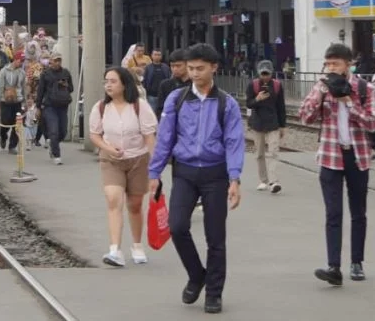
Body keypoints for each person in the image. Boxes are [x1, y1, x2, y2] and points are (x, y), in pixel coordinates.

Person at [148, 43, 244, 315]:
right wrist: (154, 172)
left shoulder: (227, 103)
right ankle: (196, 274)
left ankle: (214, 293)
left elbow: (234, 142)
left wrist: (234, 178)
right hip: (185, 172)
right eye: (190, 68)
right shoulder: (176, 99)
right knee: (177, 226)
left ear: (214, 68)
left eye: (200, 68)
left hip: (216, 174)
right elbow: (165, 137)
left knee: (215, 237)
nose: (194, 73)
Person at [298, 43, 375, 286]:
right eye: (328, 64)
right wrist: (321, 94)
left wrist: (348, 102)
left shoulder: (366, 89)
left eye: (335, 63)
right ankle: (333, 266)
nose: (331, 68)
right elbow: (305, 117)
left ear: (348, 64)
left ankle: (357, 262)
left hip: (357, 155)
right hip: (330, 156)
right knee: (333, 213)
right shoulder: (321, 87)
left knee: (358, 212)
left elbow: (372, 123)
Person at [89, 67, 157, 267]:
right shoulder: (101, 107)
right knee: (113, 199)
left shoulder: (139, 106)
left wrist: (156, 166)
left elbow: (149, 137)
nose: (108, 85)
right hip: (111, 160)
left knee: (135, 204)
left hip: (138, 159)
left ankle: (137, 245)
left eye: (113, 81)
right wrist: (108, 148)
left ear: (125, 84)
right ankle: (115, 250)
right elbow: (95, 135)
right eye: (106, 81)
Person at [245, 60, 287, 194]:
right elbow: (248, 104)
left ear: (271, 73)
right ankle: (263, 180)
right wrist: (257, 99)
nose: (265, 76)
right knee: (259, 154)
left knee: (273, 152)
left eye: (267, 74)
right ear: (258, 73)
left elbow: (281, 106)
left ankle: (274, 181)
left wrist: (282, 126)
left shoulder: (277, 85)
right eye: (262, 74)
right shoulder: (252, 85)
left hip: (273, 123)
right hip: (257, 124)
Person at [36, 52, 74, 164]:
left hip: (63, 106)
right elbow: (40, 91)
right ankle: (56, 155)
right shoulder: (45, 74)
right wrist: (38, 107)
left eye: (59, 60)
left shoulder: (66, 72)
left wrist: (66, 85)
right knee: (54, 131)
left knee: (63, 131)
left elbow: (71, 88)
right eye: (55, 60)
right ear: (51, 61)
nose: (57, 63)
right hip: (49, 106)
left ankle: (53, 144)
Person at [0, 56, 27, 154]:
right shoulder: (4, 71)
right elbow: (0, 86)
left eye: (23, 61)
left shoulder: (22, 72)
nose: (21, 63)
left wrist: (25, 102)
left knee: (17, 124)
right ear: (15, 59)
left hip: (18, 100)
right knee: (5, 121)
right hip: (5, 100)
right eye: (20, 60)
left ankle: (12, 146)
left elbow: (23, 88)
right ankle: (3, 136)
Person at [154, 49, 190, 118]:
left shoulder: (195, 85)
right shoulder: (165, 85)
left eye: (178, 66)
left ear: (187, 65)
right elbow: (160, 109)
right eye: (172, 66)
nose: (175, 69)